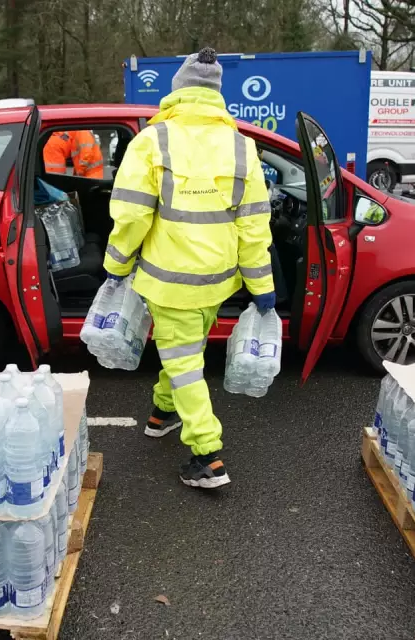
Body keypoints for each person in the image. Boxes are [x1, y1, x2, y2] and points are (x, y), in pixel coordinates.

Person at [102, 47, 275, 489]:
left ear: (176, 91)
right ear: (216, 95)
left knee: (183, 362)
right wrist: (261, 284)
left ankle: (207, 455)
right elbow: (254, 224)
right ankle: (162, 413)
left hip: (167, 282)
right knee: (184, 353)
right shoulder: (243, 147)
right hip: (217, 283)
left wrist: (116, 266)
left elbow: (132, 216)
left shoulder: (152, 142)